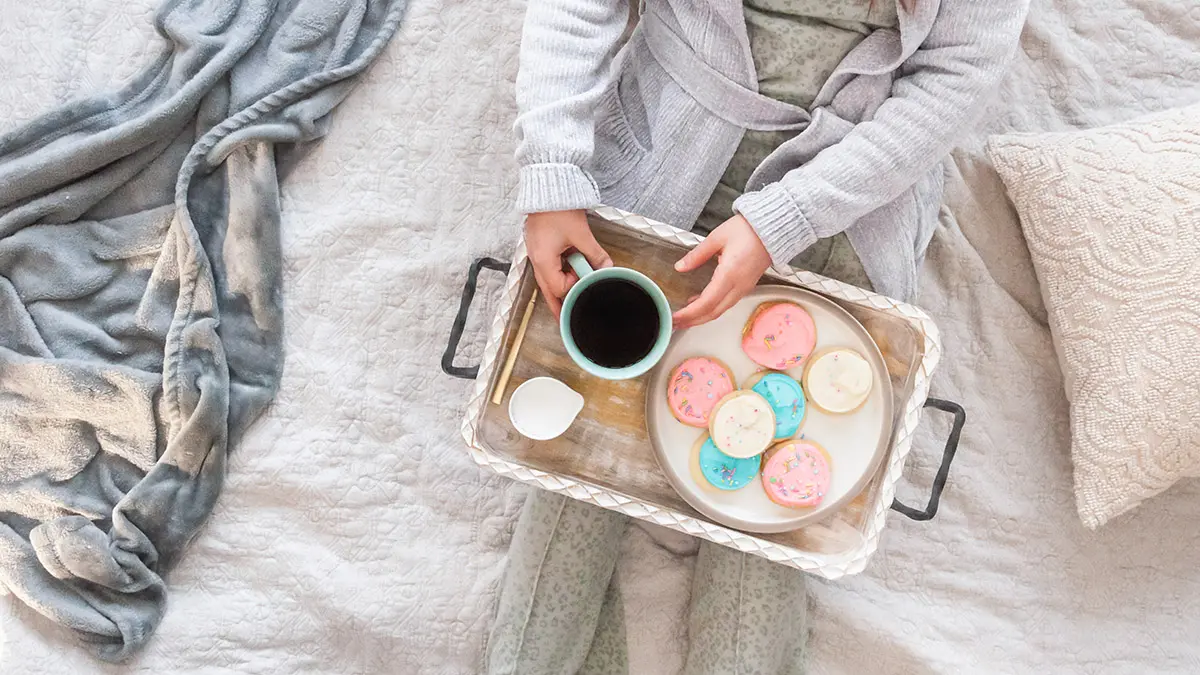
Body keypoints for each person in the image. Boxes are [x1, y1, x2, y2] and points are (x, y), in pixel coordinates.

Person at [488, 1, 1028, 673]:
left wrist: (789, 216)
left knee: (784, 478)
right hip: (671, 145)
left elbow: (957, 77)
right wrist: (551, 175)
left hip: (851, 188)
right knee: (593, 440)